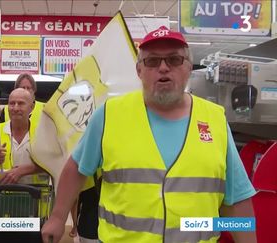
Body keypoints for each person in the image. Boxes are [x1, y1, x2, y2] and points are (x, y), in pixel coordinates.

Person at [41, 26, 257, 243]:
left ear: (189, 67)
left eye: (174, 59)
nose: (163, 68)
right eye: (152, 61)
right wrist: (58, 216)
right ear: (139, 71)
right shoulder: (109, 115)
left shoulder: (215, 120)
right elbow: (77, 168)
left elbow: (237, 198)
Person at [0, 88, 47, 184]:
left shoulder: (42, 133)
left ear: (32, 107)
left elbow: (52, 163)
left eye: (21, 103)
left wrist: (22, 171)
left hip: (35, 196)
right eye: (12, 103)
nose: (15, 108)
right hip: (0, 196)